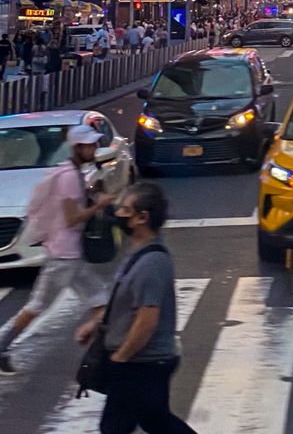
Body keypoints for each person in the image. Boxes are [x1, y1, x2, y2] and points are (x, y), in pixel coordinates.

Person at [76, 182, 196, 434]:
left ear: (142, 218)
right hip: (141, 362)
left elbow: (147, 319)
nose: (117, 214)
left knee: (116, 427)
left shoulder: (152, 263)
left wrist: (121, 357)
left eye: (125, 210)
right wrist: (96, 323)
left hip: (142, 362)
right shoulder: (137, 253)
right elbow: (125, 300)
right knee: (155, 420)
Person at [0, 125, 112, 375]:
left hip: (67, 254)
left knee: (100, 301)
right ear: (78, 148)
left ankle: (104, 352)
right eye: (91, 145)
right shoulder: (69, 178)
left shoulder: (71, 172)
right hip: (65, 256)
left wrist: (92, 194)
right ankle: (3, 345)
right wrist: (99, 205)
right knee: (40, 305)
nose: (94, 149)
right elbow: (72, 218)